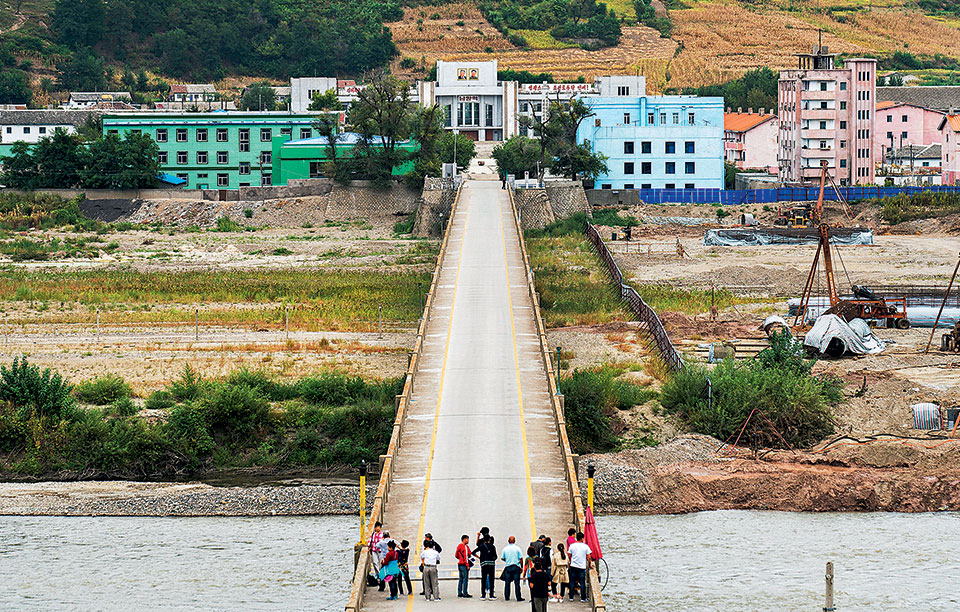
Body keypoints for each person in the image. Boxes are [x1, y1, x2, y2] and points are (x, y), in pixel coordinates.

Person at [567, 532, 592, 602]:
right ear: (582, 538)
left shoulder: (572, 546)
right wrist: (590, 564)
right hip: (581, 566)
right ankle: (583, 598)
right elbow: (588, 557)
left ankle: (571, 597)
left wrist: (571, 560)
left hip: (573, 565)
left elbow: (569, 554)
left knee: (572, 581)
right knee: (582, 582)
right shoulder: (585, 546)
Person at [473, 535, 498, 600]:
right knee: (491, 579)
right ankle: (491, 595)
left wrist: (479, 557)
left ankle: (483, 595)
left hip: (484, 564)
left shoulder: (481, 546)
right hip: (491, 564)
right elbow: (495, 556)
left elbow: (473, 552)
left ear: (483, 539)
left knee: (483, 579)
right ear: (489, 539)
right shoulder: (492, 546)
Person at [500, 536, 524, 602]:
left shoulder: (505, 549)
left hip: (508, 567)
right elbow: (521, 558)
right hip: (516, 566)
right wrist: (521, 567)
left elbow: (502, 558)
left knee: (507, 583)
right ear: (514, 541)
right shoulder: (518, 549)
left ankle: (507, 596)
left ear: (508, 541)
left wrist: (507, 560)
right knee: (517, 583)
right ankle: (518, 597)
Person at [455, 534, 473, 598]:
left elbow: (456, 555)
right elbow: (466, 557)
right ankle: (465, 593)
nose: (468, 541)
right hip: (464, 565)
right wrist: (467, 565)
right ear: (464, 539)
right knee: (465, 579)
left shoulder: (459, 546)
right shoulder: (465, 547)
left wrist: (460, 559)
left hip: (460, 564)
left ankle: (459, 593)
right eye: (467, 539)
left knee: (460, 579)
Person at [369, 522, 384, 589]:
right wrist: (368, 547)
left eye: (379, 527)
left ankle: (381, 574)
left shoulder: (382, 534)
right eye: (377, 527)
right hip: (374, 550)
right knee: (375, 562)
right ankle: (378, 574)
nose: (378, 528)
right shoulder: (373, 534)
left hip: (380, 550)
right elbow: (370, 541)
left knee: (380, 563)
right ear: (375, 528)